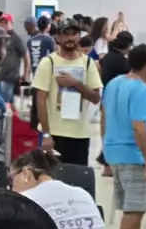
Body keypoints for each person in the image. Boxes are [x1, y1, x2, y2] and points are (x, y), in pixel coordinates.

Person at [103, 42, 146, 229]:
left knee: (131, 203)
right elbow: (140, 128)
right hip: (132, 153)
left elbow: (105, 116)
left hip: (113, 150)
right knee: (136, 206)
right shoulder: (141, 90)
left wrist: (105, 148)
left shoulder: (114, 83)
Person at [30, 20, 103, 165]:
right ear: (58, 38)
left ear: (79, 37)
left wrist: (75, 84)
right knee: (51, 180)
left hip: (80, 134)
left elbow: (95, 98)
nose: (70, 38)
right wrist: (46, 134)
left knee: (77, 181)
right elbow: (41, 101)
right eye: (66, 34)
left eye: (74, 34)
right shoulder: (48, 63)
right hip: (55, 134)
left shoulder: (88, 63)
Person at [9, 147, 107, 229]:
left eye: (11, 179)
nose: (11, 187)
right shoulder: (83, 194)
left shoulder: (24, 200)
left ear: (26, 173)